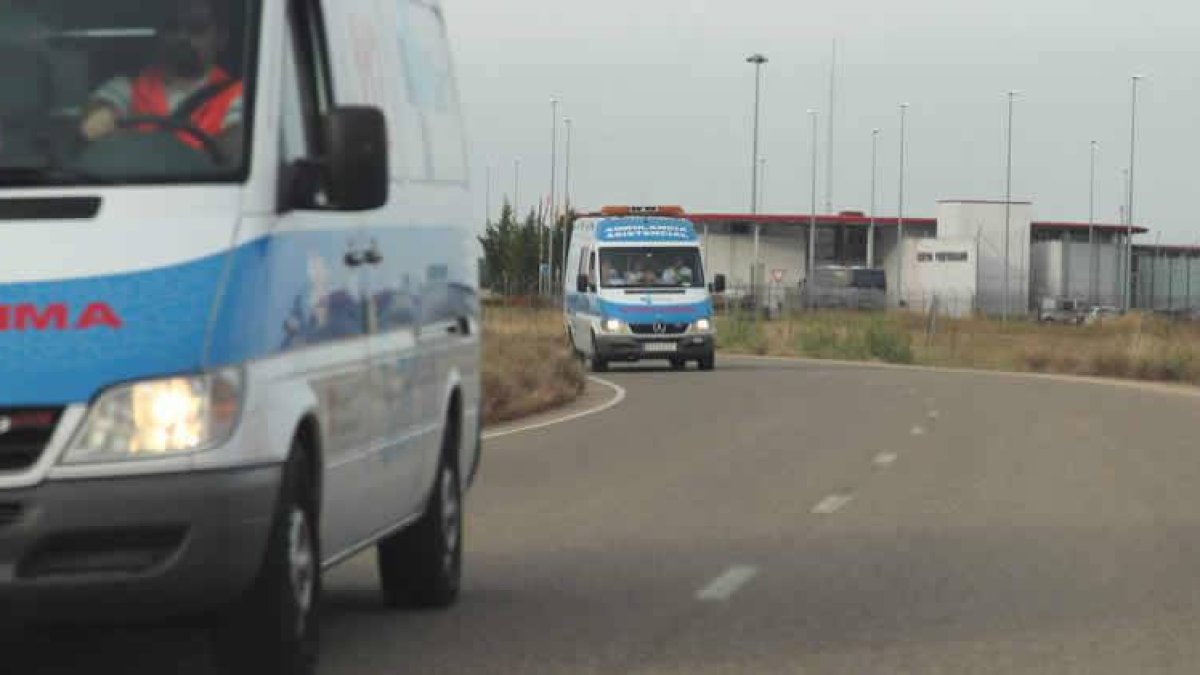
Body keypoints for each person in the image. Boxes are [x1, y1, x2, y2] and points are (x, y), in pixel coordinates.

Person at [79, 0, 243, 161]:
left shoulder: (237, 94)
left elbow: (235, 144)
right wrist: (100, 116)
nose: (182, 36)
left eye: (196, 28)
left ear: (221, 38)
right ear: (160, 34)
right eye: (172, 27)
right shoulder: (130, 85)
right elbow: (102, 105)